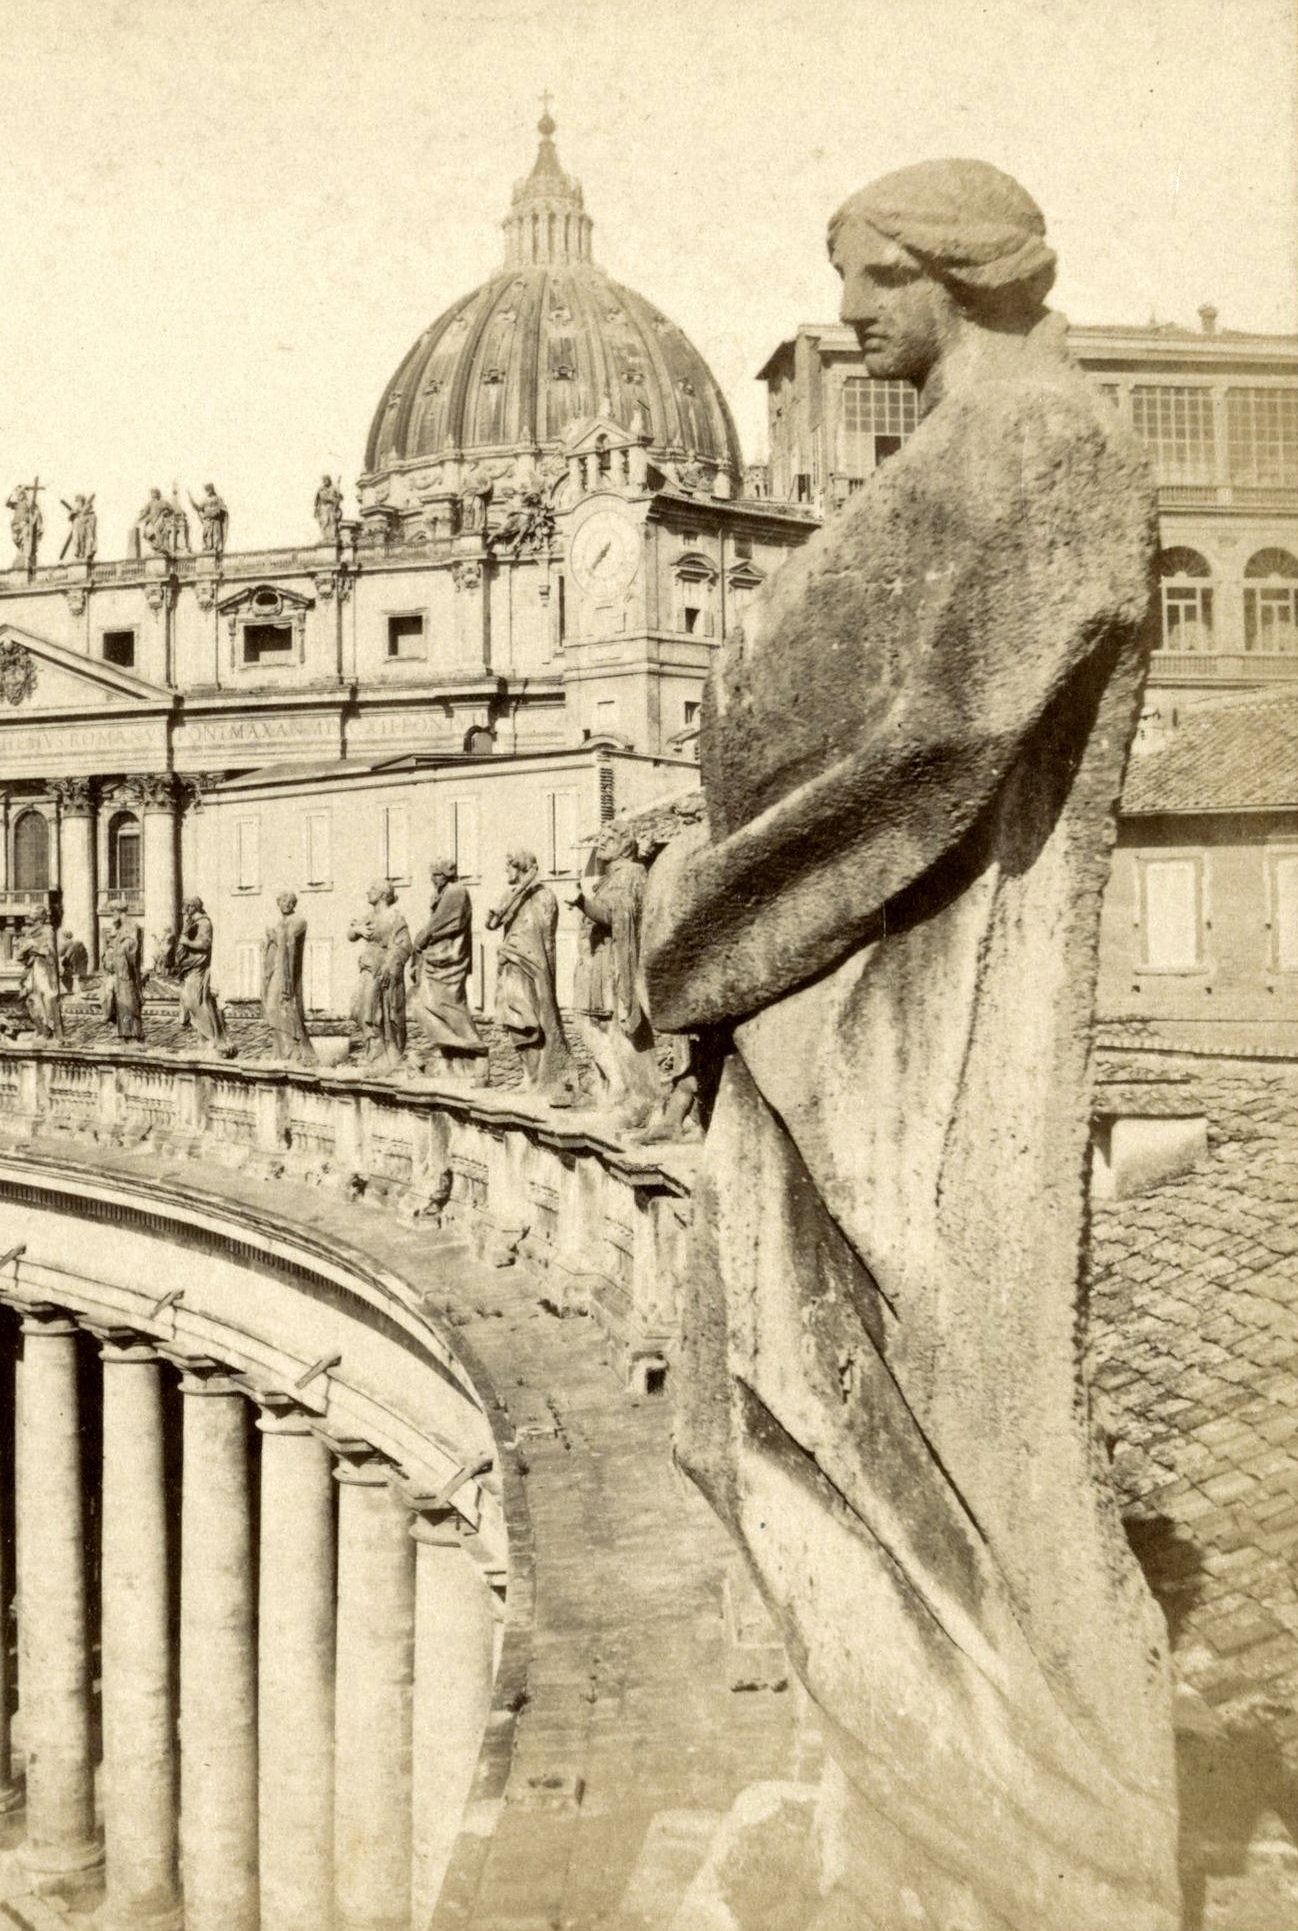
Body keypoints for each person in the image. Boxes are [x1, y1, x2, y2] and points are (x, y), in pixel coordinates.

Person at [643, 161, 1176, 1930]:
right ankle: (919, 1803)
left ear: (955, 272)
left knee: (896, 1406)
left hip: (905, 1023)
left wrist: (705, 919)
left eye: (871, 281)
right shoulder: (963, 443)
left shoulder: (1052, 450)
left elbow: (941, 749)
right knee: (767, 1399)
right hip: (822, 1000)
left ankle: (1028, 1834)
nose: (845, 316)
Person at [571, 825, 663, 1125]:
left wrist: (582, 902)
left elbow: (615, 915)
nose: (601, 843)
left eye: (608, 840)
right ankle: (616, 1087)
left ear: (625, 846)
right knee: (592, 1024)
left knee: (620, 1029)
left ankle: (637, 1098)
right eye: (600, 839)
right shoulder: (611, 877)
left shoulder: (631, 873)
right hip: (600, 961)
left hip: (616, 962)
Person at [486, 849, 573, 1096]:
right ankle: (528, 1075)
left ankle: (537, 1077)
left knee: (527, 1021)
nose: (506, 871)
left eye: (509, 867)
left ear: (521, 867)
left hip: (528, 966)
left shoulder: (543, 895)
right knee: (512, 1021)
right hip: (510, 965)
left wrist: (519, 951)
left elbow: (544, 936)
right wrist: (498, 910)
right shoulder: (511, 895)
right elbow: (492, 925)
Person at [409, 859, 485, 1073]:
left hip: (449, 958)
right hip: (439, 955)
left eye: (438, 875)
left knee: (448, 1003)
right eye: (433, 875)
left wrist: (425, 935)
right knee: (427, 1001)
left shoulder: (456, 892)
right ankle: (451, 1051)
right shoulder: (443, 893)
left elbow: (446, 922)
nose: (434, 879)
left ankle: (473, 1050)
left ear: (447, 875)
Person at [347, 880, 410, 1066]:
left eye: (372, 889)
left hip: (383, 971)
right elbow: (350, 935)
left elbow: (405, 945)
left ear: (383, 894)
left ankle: (379, 1054)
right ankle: (373, 1051)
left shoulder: (394, 917)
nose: (368, 892)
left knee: (373, 1011)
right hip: (367, 969)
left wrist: (390, 965)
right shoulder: (368, 917)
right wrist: (356, 929)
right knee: (358, 1008)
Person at [261, 890, 316, 1065]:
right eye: (283, 901)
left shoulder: (299, 921)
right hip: (276, 969)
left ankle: (292, 1050)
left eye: (290, 901)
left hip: (287, 973)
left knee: (281, 1006)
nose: (286, 904)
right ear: (278, 903)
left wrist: (274, 936)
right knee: (272, 1007)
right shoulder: (280, 923)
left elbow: (289, 940)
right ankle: (281, 1050)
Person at [174, 896, 233, 1056]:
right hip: (190, 966)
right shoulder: (192, 922)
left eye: (186, 906)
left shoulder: (204, 922)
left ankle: (212, 1038)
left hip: (198, 966)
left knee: (196, 1001)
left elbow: (205, 944)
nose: (184, 909)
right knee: (194, 1001)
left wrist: (186, 942)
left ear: (193, 907)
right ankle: (205, 1038)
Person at [14, 914, 62, 1039]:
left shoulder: (48, 931)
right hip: (32, 969)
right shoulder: (30, 934)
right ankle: (41, 1029)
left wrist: (36, 949)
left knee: (46, 998)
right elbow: (19, 955)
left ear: (40, 920)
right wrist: (28, 950)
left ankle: (48, 1030)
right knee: (31, 1000)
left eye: (34, 920)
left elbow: (51, 952)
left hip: (43, 968)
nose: (32, 923)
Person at [102, 910, 144, 1041]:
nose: (112, 917)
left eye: (113, 913)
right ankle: (124, 1033)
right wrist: (108, 960)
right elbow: (110, 951)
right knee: (121, 1004)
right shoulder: (118, 932)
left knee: (129, 1004)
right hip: (119, 975)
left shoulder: (131, 929)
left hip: (127, 975)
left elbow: (132, 954)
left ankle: (133, 1034)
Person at [191, 483, 228, 560]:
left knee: (215, 536)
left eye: (209, 489)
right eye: (207, 490)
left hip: (215, 521)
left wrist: (217, 512)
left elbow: (223, 509)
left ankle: (215, 551)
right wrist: (192, 502)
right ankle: (208, 549)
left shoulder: (218, 499)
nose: (208, 491)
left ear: (212, 489)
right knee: (207, 535)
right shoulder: (205, 500)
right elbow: (199, 508)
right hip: (207, 521)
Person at [61, 493, 97, 564]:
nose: (78, 503)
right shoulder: (76, 512)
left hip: (85, 531)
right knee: (77, 542)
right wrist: (75, 515)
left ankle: (84, 554)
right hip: (77, 531)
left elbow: (92, 522)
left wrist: (84, 516)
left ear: (83, 501)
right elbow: (71, 518)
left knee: (85, 542)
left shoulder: (90, 514)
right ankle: (79, 554)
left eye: (79, 501)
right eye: (77, 501)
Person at [56, 927, 89, 994]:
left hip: (71, 963)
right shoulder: (76, 942)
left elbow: (60, 953)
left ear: (65, 937)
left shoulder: (67, 943)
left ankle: (69, 990)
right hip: (80, 962)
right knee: (81, 976)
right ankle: (83, 988)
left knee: (65, 977)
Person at [313, 474, 342, 543]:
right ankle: (325, 538)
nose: (325, 481)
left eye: (326, 480)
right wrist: (315, 510)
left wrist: (337, 499)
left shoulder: (334, 488)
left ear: (329, 480)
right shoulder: (320, 489)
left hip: (331, 507)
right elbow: (316, 501)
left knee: (332, 521)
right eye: (324, 480)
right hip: (323, 507)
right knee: (324, 522)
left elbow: (340, 497)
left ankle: (332, 537)